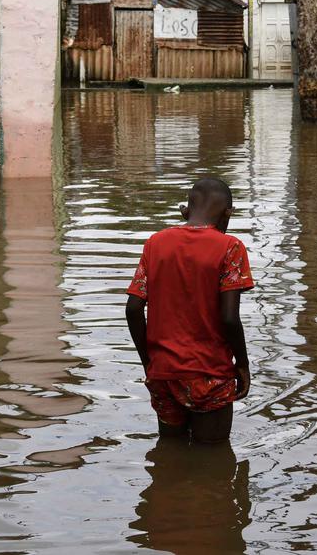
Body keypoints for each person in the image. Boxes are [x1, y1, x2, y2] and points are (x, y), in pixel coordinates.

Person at [125, 177, 254, 443]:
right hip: (209, 375)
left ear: (185, 210)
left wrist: (149, 362)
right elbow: (230, 319)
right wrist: (242, 365)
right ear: (228, 213)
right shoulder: (230, 248)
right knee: (213, 463)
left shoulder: (155, 243)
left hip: (163, 376)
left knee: (169, 455)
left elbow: (134, 309)